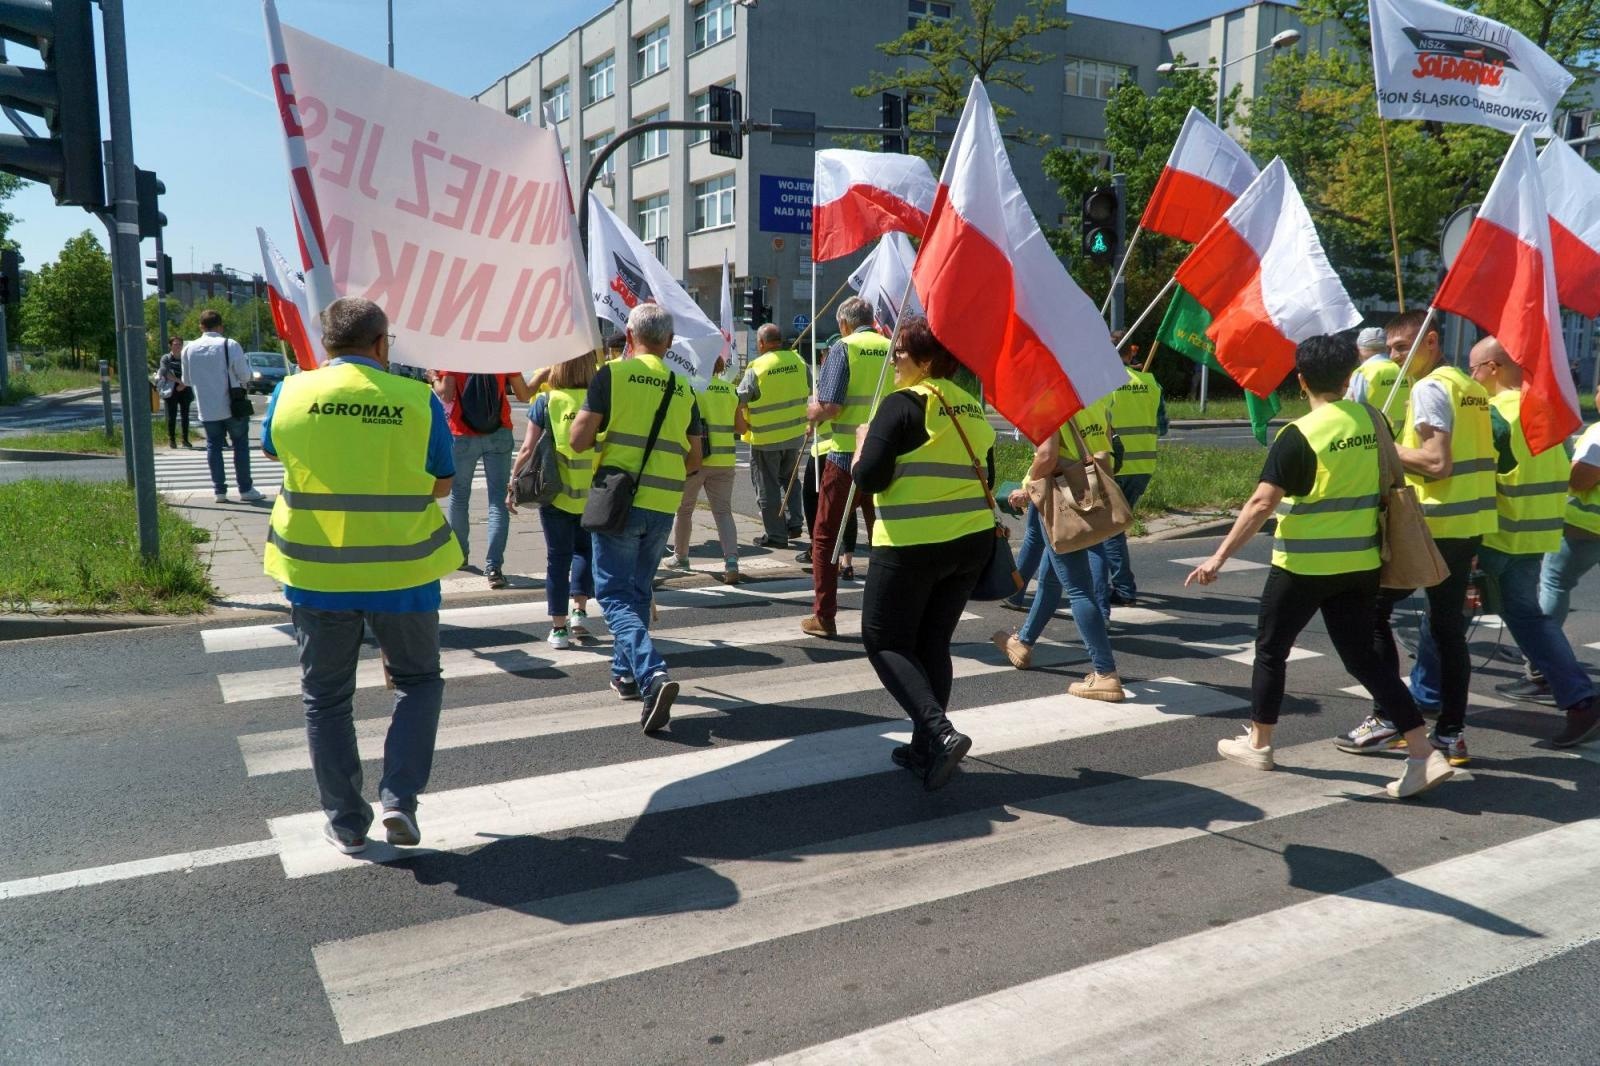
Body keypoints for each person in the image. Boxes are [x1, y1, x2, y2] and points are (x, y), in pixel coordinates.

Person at [1186, 335, 1455, 798]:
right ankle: (1422, 750)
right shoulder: (1373, 420)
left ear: (1301, 379)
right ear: (1349, 378)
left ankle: (1260, 743)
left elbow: (1260, 504)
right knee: (1363, 659)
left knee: (1271, 649)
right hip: (1362, 564)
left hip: (1303, 567)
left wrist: (1218, 556)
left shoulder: (1300, 435)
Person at [259, 297, 462, 853]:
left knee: (326, 700)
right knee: (419, 683)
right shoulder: (417, 400)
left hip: (315, 570)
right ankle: (399, 801)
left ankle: (347, 822)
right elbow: (443, 483)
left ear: (327, 344)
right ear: (381, 343)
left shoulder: (290, 392)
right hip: (404, 570)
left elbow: (274, 448)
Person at [1340, 310, 1497, 766]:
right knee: (1448, 630)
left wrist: (1380, 445)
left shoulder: (1430, 387)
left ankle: (1389, 718)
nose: (1396, 358)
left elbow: (1435, 463)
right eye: (1390, 350)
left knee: (1371, 614)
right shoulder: (1470, 388)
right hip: (1468, 523)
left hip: (1430, 524)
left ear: (1430, 341)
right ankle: (1451, 733)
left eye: (1403, 347)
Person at [854, 316, 996, 791]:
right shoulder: (971, 407)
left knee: (885, 641)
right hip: (971, 544)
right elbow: (988, 477)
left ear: (926, 359)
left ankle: (939, 732)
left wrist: (859, 448)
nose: (893, 359)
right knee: (933, 642)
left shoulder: (901, 405)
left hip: (913, 545)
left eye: (901, 352)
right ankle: (923, 748)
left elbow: (869, 478)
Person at [570, 302, 703, 733]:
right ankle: (624, 675)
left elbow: (577, 440)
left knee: (611, 597)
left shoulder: (613, 375)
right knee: (639, 594)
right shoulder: (685, 388)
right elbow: (696, 457)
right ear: (667, 342)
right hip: (664, 504)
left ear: (629, 337)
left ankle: (651, 674)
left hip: (618, 503)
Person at [1460, 340, 1599, 745]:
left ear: (1491, 367)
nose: (1472, 378)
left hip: (1494, 534)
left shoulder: (1489, 414)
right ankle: (1580, 700)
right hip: (1535, 535)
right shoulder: (1547, 411)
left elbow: (1475, 477)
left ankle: (1424, 695)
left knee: (1448, 619)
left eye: (1474, 369)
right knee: (1527, 619)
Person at [991, 392, 1124, 702]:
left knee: (1078, 589)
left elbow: (1047, 454)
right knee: (1050, 578)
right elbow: (1104, 447)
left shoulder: (1051, 397)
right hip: (1084, 489)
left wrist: (1026, 486)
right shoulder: (1096, 397)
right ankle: (1023, 642)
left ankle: (1105, 673)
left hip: (1058, 496)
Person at [803, 297, 888, 637]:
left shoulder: (842, 348)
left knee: (824, 538)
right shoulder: (890, 345)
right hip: (885, 456)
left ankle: (824, 617)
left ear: (844, 324)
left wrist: (812, 411)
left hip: (844, 457)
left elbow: (832, 406)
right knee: (884, 538)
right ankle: (887, 614)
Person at [507, 352, 599, 650]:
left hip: (555, 492)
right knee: (585, 551)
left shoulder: (546, 402)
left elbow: (527, 448)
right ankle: (579, 614)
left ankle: (558, 630)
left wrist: (513, 484)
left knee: (557, 559)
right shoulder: (599, 400)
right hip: (592, 493)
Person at [431, 366, 532, 589]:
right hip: (499, 431)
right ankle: (494, 567)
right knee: (497, 501)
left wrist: (433, 378)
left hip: (461, 434)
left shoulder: (455, 356)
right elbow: (524, 395)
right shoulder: (501, 356)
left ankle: (460, 555)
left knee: (459, 497)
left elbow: (446, 394)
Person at [1537, 378, 1600, 642]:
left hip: (1584, 525)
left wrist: (1560, 459)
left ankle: (1541, 660)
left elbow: (1580, 479)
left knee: (1554, 584)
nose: (1597, 395)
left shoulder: (1598, 433)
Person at [670, 355, 743, 582]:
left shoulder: (692, 389)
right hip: (725, 460)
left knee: (684, 510)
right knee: (723, 512)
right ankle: (731, 560)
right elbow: (740, 427)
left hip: (696, 459)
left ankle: (681, 556)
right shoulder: (731, 390)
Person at [1103, 344, 1167, 606]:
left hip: (1113, 466)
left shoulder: (1104, 383)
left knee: (1109, 529)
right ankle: (1111, 584)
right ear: (1130, 355)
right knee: (1111, 528)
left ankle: (1123, 588)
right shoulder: (1151, 382)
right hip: (1143, 467)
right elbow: (1162, 427)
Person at [182, 309, 263, 504]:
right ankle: (245, 489)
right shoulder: (229, 344)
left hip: (207, 407)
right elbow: (244, 375)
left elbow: (187, 380)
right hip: (232, 405)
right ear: (220, 326)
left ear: (201, 326)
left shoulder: (188, 348)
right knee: (240, 446)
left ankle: (219, 491)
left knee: (213, 447)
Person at [738, 324, 808, 547]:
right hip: (794, 435)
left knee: (766, 487)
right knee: (790, 482)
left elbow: (739, 399)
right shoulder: (798, 361)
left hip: (765, 439)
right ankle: (794, 523)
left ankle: (776, 536)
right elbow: (811, 386)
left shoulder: (757, 368)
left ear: (761, 343)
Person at [1344, 324, 1410, 432]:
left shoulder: (1362, 373)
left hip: (1374, 439)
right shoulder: (1405, 370)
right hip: (1404, 440)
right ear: (1386, 348)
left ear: (1358, 349)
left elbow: (1351, 409)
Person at [157, 336, 194, 449]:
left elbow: (191, 371)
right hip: (172, 389)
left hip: (185, 389)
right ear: (170, 345)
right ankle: (172, 439)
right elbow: (165, 373)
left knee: (185, 415)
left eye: (179, 344)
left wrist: (184, 385)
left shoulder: (186, 358)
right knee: (172, 416)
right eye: (175, 344)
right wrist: (179, 382)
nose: (177, 346)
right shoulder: (166, 358)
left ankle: (185, 439)